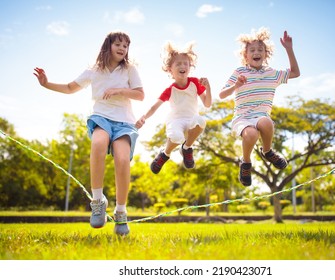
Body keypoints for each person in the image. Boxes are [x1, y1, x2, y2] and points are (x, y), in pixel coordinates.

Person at [33, 31, 144, 236]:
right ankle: (98, 201)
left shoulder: (129, 69)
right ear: (108, 45)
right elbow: (69, 87)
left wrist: (119, 90)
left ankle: (121, 212)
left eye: (126, 46)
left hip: (124, 122)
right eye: (118, 44)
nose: (122, 48)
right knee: (98, 143)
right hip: (101, 116)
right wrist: (46, 83)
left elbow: (140, 94)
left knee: (121, 159)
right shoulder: (94, 70)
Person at [219, 27, 300, 187]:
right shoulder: (240, 71)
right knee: (251, 135)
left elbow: (295, 72)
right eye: (252, 50)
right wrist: (236, 85)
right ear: (245, 55)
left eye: (260, 50)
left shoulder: (272, 73)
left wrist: (289, 49)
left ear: (265, 54)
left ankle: (267, 151)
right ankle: (246, 163)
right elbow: (222, 94)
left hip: (261, 115)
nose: (256, 52)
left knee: (266, 123)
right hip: (242, 118)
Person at [136, 41, 211, 174]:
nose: (182, 66)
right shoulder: (170, 90)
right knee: (176, 137)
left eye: (185, 63)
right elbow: (154, 107)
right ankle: (165, 154)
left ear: (189, 67)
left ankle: (187, 148)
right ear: (170, 69)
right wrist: (144, 117)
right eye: (178, 64)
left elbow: (207, 104)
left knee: (201, 121)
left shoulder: (194, 83)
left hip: (191, 121)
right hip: (176, 121)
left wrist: (208, 88)